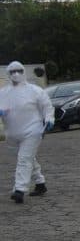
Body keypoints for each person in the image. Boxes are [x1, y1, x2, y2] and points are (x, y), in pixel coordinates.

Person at [0, 61, 54, 204]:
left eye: (19, 71)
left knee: (24, 159)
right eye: (12, 72)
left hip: (33, 130)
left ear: (23, 71)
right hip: (12, 133)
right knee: (27, 158)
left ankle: (19, 189)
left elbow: (47, 106)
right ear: (8, 74)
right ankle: (40, 183)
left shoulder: (35, 90)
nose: (16, 74)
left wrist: (49, 119)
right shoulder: (3, 93)